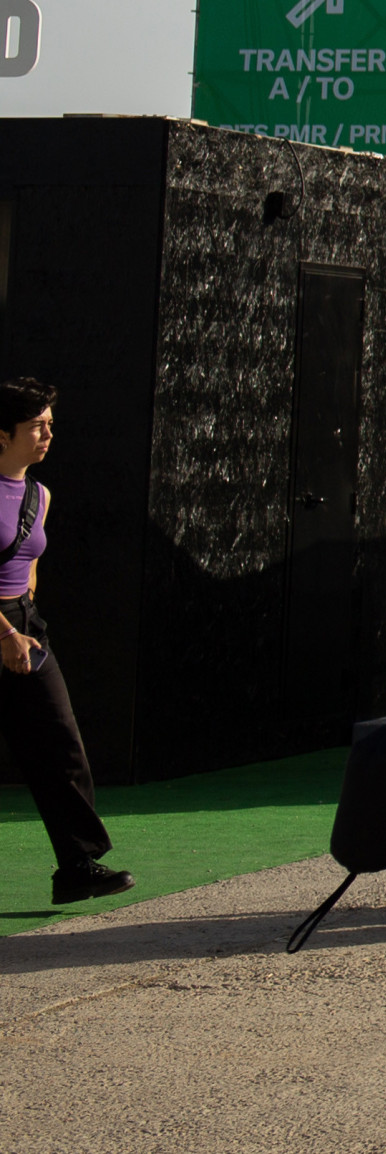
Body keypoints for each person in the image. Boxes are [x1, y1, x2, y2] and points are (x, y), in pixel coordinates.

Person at [0, 377, 126, 904]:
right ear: (1, 435)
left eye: (50, 424)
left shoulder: (38, 493)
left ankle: (77, 866)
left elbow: (28, 564)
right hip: (2, 629)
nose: (48, 434)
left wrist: (21, 620)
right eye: (36, 426)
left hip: (24, 627)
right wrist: (3, 632)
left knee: (60, 744)